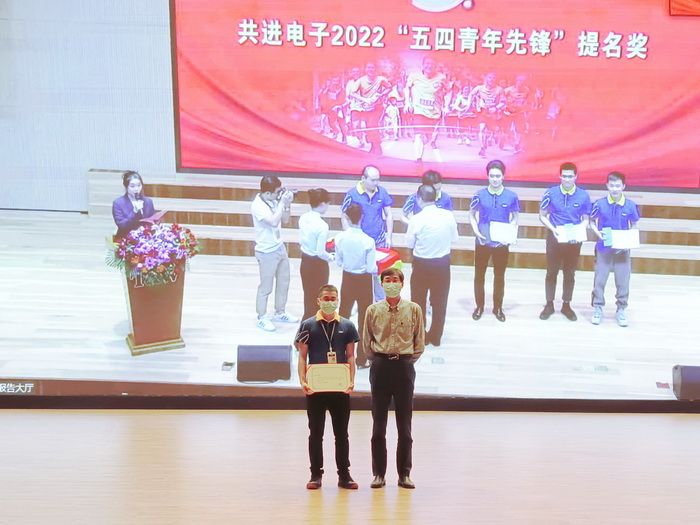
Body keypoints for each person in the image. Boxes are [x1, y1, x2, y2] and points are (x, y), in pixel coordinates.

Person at [363, 268, 425, 490]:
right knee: (378, 425)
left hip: (404, 367)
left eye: (395, 280)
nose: (391, 284)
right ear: (381, 284)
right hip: (380, 366)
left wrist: (405, 361)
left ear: (402, 284)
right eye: (387, 280)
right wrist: (380, 360)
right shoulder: (372, 310)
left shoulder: (414, 309)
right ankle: (378, 474)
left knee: (404, 425)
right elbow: (367, 342)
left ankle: (404, 475)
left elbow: (419, 343)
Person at [296, 284, 359, 490]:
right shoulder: (308, 325)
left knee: (342, 434)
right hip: (316, 389)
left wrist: (350, 380)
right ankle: (315, 475)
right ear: (318, 301)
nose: (329, 302)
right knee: (316, 433)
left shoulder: (347, 326)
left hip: (340, 388)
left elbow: (351, 356)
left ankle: (344, 476)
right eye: (326, 298)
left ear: (338, 301)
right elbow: (302, 356)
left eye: (333, 298)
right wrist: (303, 380)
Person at [538, 162, 592, 321]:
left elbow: (586, 219)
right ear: (560, 176)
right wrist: (553, 229)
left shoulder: (583, 195)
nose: (567, 179)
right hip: (555, 237)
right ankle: (549, 304)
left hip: (574, 240)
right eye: (564, 176)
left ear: (576, 177)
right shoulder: (551, 193)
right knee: (551, 272)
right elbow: (542, 215)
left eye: (570, 176)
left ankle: (566, 305)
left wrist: (580, 230)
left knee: (570, 273)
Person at [406, 184, 458, 347]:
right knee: (440, 301)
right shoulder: (448, 216)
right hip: (442, 264)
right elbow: (454, 238)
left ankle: (419, 336)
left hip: (421, 265)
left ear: (419, 199)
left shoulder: (416, 219)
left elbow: (409, 243)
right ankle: (436, 337)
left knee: (418, 301)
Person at [469, 159, 520, 322]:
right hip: (483, 241)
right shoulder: (479, 195)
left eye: (498, 176)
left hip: (501, 243)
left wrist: (509, 233)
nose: (495, 179)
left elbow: (515, 217)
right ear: (487, 176)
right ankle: (479, 306)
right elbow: (471, 215)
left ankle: (498, 308)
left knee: (499, 276)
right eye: (492, 176)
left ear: (503, 176)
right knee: (479, 275)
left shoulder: (511, 196)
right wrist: (476, 232)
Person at [589, 171, 641, 327]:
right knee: (599, 280)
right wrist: (598, 234)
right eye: (612, 185)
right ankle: (598, 308)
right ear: (607, 186)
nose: (615, 189)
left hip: (622, 252)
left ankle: (621, 309)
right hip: (603, 249)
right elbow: (592, 221)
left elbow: (634, 225)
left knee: (623, 282)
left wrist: (628, 240)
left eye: (618, 186)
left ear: (623, 186)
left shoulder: (630, 205)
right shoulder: (599, 203)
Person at [250, 175, 298, 332]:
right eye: (277, 192)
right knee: (266, 286)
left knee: (284, 281)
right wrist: (282, 203)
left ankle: (280, 312)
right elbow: (272, 221)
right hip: (266, 252)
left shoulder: (274, 200)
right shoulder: (257, 205)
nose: (279, 194)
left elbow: (285, 220)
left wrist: (287, 205)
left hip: (279, 247)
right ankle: (261, 317)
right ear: (267, 193)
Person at [341, 165, 394, 300]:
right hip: (360, 243)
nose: (376, 183)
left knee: (380, 275)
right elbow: (344, 216)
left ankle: (381, 302)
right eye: (373, 180)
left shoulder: (382, 192)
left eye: (378, 180)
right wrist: (349, 235)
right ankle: (358, 302)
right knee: (360, 274)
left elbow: (389, 215)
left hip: (379, 240)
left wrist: (389, 236)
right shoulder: (352, 194)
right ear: (363, 178)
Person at [335, 203, 377, 369]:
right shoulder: (368, 241)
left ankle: (340, 355)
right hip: (364, 281)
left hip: (347, 278)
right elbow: (371, 268)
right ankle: (361, 359)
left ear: (346, 217)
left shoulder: (340, 238)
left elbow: (339, 262)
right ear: (362, 217)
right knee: (364, 320)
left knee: (343, 315)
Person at [299, 189, 334, 321]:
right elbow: (320, 252)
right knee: (318, 299)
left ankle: (306, 327)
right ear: (323, 203)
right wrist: (331, 257)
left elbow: (302, 240)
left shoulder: (303, 217)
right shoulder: (322, 225)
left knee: (308, 296)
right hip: (318, 265)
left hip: (305, 261)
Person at [405, 56, 446, 162]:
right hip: (419, 111)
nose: (429, 66)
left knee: (427, 137)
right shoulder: (414, 76)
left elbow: (449, 90)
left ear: (435, 66)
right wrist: (407, 102)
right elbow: (407, 88)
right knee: (419, 134)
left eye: (432, 64)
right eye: (427, 63)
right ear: (423, 65)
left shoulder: (441, 78)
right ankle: (418, 158)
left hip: (434, 112)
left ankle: (420, 144)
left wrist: (446, 106)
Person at [348, 62, 393, 155]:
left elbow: (389, 88)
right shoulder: (361, 81)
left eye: (372, 68)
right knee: (368, 127)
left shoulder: (380, 79)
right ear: (365, 69)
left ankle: (378, 146)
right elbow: (352, 93)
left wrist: (380, 95)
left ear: (375, 69)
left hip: (377, 107)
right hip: (366, 108)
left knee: (373, 125)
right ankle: (373, 146)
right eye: (368, 67)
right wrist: (364, 100)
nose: (370, 70)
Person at [465, 72, 506, 157]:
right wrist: (468, 105)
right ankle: (482, 148)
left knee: (491, 131)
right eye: (490, 77)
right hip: (483, 111)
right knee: (482, 128)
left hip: (493, 113)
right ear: (486, 78)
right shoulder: (480, 88)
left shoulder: (499, 90)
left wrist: (496, 108)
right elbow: (471, 94)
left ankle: (486, 141)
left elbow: (503, 102)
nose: (491, 80)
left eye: (493, 78)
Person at [112, 171, 156, 239]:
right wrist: (134, 211)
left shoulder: (148, 201)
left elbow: (153, 219)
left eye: (139, 185)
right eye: (132, 186)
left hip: (145, 237)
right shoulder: (118, 203)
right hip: (126, 238)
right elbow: (122, 225)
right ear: (126, 187)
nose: (136, 189)